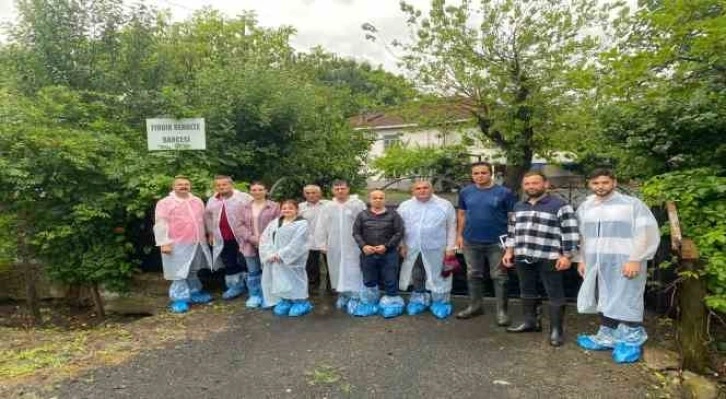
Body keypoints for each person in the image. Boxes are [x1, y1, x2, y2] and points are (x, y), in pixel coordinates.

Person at [575, 169, 660, 363]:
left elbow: (645, 232)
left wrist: (636, 258)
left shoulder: (631, 205)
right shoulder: (586, 206)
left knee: (629, 298)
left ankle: (631, 340)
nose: (600, 187)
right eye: (595, 183)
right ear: (589, 185)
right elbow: (582, 235)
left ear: (614, 182)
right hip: (598, 262)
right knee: (606, 297)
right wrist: (582, 259)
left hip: (626, 260)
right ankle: (608, 336)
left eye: (604, 182)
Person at [503, 171, 579, 346]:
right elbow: (512, 230)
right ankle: (530, 322)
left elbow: (571, 232)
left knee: (554, 293)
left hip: (550, 256)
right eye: (527, 184)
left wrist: (567, 256)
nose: (531, 187)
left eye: (535, 183)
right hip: (523, 254)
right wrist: (509, 251)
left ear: (546, 184)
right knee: (526, 290)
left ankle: (556, 330)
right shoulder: (519, 206)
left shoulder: (560, 205)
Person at [456, 162, 517, 325]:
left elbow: (513, 218)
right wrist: (459, 235)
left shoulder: (504, 193)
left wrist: (511, 241)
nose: (479, 176)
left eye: (483, 172)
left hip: (497, 242)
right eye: (476, 173)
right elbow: (461, 214)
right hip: (471, 240)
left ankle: (502, 312)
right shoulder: (465, 192)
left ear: (491, 174)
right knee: (473, 274)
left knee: (499, 276)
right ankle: (475, 306)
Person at [398, 180, 457, 319]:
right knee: (417, 273)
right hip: (413, 248)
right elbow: (398, 228)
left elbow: (452, 227)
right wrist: (402, 244)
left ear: (432, 189)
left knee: (440, 275)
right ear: (413, 191)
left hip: (438, 249)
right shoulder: (405, 206)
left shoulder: (444, 205)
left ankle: (440, 302)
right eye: (418, 188)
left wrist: (450, 247)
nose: (422, 190)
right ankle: (419, 299)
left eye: (425, 188)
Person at [153, 176, 213, 313]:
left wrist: (210, 233)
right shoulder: (165, 203)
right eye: (180, 184)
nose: (183, 186)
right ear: (173, 187)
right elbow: (161, 223)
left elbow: (204, 219)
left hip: (197, 241)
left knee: (193, 269)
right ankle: (179, 299)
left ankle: (194, 292)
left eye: (186, 184)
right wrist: (164, 242)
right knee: (178, 271)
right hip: (177, 242)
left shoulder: (197, 201)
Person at [313, 179, 367, 313]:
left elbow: (365, 223)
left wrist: (365, 243)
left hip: (354, 244)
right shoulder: (328, 206)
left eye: (342, 188)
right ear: (333, 191)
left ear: (348, 189)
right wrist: (321, 244)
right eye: (337, 189)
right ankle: (343, 294)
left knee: (354, 269)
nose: (340, 191)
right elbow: (321, 226)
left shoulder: (357, 204)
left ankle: (355, 296)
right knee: (336, 269)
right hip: (334, 244)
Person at [352, 190, 405, 318]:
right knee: (369, 279)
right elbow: (356, 233)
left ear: (385, 200)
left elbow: (399, 233)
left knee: (390, 278)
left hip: (389, 254)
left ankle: (391, 304)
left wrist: (386, 246)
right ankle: (369, 303)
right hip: (368, 253)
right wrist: (363, 246)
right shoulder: (362, 215)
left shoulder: (393, 215)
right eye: (375, 198)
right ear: (370, 200)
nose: (378, 200)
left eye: (381, 198)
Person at [259, 200, 313, 317]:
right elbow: (265, 239)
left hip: (293, 260)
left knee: (295, 279)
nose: (287, 210)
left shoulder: (302, 224)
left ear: (296, 210)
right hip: (274, 258)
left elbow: (299, 243)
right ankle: (285, 299)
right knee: (281, 279)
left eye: (290, 208)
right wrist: (269, 254)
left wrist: (282, 255)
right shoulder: (274, 223)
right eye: (284, 208)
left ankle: (300, 302)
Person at [205, 175, 252, 300]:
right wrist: (210, 233)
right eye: (218, 185)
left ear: (231, 184)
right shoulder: (212, 200)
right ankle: (235, 286)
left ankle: (252, 286)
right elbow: (208, 217)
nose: (221, 187)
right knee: (229, 261)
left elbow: (254, 212)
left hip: (243, 236)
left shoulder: (243, 197)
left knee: (247, 260)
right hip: (223, 237)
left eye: (224, 184)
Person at [237, 181, 280, 308]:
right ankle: (255, 295)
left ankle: (270, 296)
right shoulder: (244, 207)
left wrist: (265, 239)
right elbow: (239, 226)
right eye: (254, 190)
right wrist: (251, 238)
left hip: (269, 244)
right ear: (250, 192)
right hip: (249, 244)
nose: (257, 192)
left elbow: (279, 224)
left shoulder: (274, 206)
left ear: (266, 191)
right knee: (253, 271)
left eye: (260, 189)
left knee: (269, 270)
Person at [299, 184, 331, 295]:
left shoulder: (328, 204)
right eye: (308, 193)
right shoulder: (300, 207)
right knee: (311, 267)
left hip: (327, 241)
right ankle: (313, 288)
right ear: (304, 194)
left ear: (320, 193)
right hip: (309, 242)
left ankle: (331, 287)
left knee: (330, 265)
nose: (311, 195)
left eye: (314, 192)